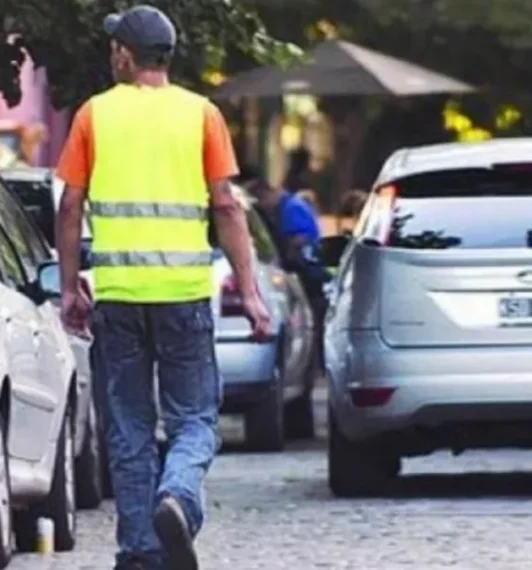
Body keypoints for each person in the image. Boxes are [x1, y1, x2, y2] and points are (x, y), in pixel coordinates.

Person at [53, 6, 272, 570]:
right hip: (183, 293)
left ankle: (140, 553)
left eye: (114, 48)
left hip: (119, 295)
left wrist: (70, 285)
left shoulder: (93, 115)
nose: (111, 55)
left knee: (127, 429)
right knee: (195, 419)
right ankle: (178, 497)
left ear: (126, 55)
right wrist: (248, 293)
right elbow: (225, 203)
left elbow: (71, 203)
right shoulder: (202, 115)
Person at [239, 163, 329, 379]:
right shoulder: (294, 206)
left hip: (308, 279)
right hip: (310, 277)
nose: (265, 209)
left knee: (310, 327)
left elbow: (299, 242)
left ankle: (316, 368)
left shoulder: (291, 209)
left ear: (265, 194)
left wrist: (287, 257)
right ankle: (315, 369)